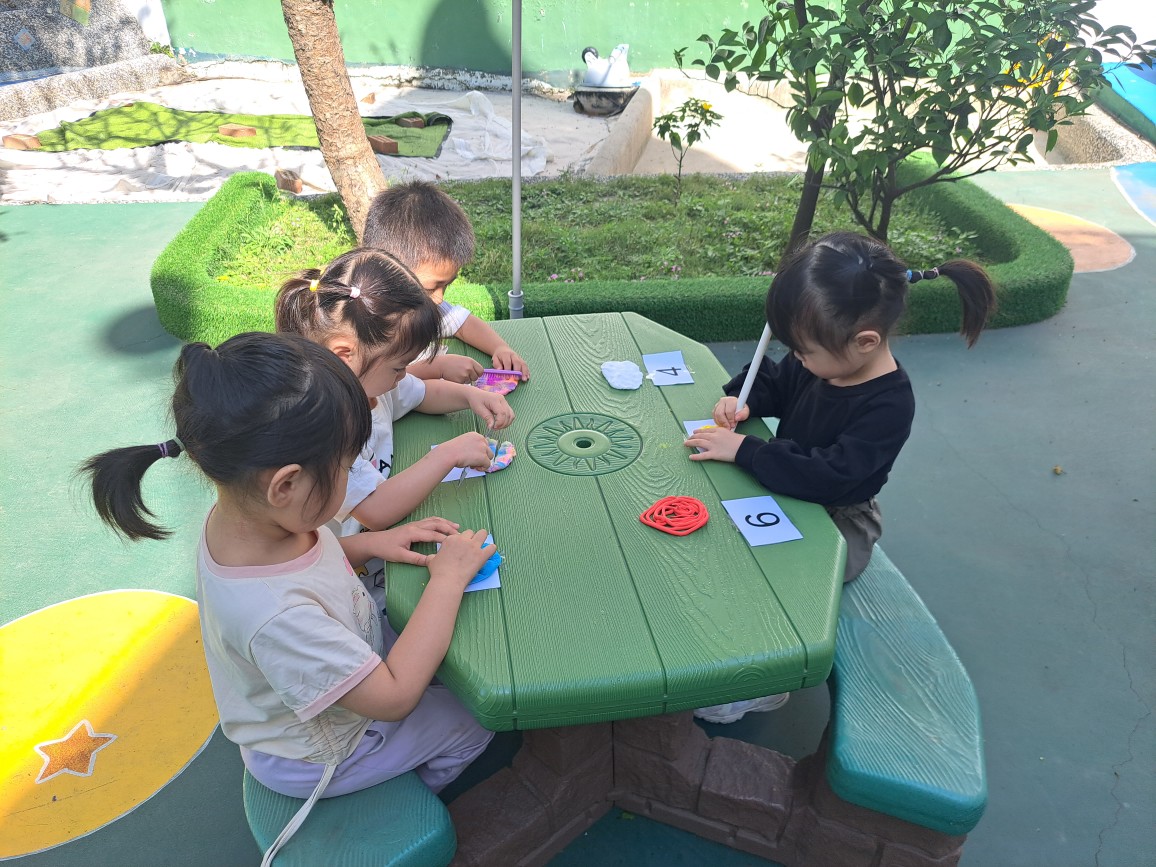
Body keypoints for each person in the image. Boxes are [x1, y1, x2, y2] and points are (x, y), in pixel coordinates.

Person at [80, 332, 497, 861]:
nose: (352, 478)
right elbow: (393, 700)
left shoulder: (253, 519)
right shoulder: (275, 615)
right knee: (471, 719)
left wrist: (372, 543)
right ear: (285, 485)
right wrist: (448, 580)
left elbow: (313, 558)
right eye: (346, 467)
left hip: (338, 670)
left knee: (443, 661)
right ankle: (403, 798)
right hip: (324, 753)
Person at [684, 231, 996, 724]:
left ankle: (768, 681)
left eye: (804, 352)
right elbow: (777, 380)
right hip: (788, 487)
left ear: (864, 341)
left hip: (838, 518)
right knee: (716, 547)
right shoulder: (824, 359)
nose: (798, 360)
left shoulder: (889, 404)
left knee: (784, 583)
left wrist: (746, 450)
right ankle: (720, 647)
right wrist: (743, 398)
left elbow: (830, 475)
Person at [275, 248, 515, 543]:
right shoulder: (325, 429)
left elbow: (423, 393)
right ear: (345, 355)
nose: (405, 374)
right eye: (399, 367)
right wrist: (447, 455)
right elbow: (376, 510)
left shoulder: (369, 383)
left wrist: (470, 397)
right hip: (353, 557)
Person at [363, 180, 531, 383]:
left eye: (447, 285)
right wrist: (437, 368)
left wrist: (500, 348)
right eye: (431, 287)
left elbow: (462, 323)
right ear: (386, 268)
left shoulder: (422, 305)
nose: (439, 298)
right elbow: (376, 383)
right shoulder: (361, 320)